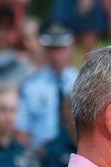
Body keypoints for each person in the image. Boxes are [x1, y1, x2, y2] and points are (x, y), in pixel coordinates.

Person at [16, 21, 78, 149]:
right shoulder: (30, 85)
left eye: (61, 48)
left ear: (71, 49)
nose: (56, 55)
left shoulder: (82, 82)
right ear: (44, 50)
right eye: (51, 49)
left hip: (75, 152)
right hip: (41, 155)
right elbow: (22, 130)